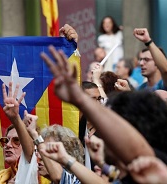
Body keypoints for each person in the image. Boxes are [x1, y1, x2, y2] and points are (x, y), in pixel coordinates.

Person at [40, 44, 155, 183]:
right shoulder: (75, 127)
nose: (96, 104)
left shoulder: (151, 170)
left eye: (99, 99)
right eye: (89, 100)